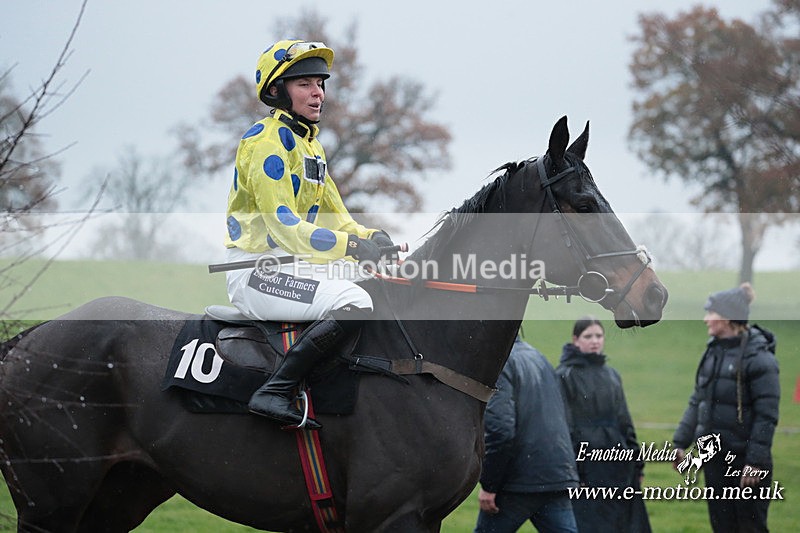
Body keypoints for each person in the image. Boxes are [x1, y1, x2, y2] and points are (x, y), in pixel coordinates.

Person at [223, 40, 394, 429]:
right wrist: (352, 246)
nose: (318, 92)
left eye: (320, 83)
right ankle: (275, 390)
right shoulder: (266, 140)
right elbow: (285, 227)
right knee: (354, 301)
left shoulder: (309, 145)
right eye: (305, 84)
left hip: (292, 267)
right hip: (258, 272)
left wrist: (373, 236)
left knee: (377, 287)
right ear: (277, 90)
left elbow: (339, 219)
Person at [673, 283, 779, 533]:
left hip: (746, 465)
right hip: (715, 461)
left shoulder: (760, 359)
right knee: (722, 528)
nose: (705, 319)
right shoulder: (712, 354)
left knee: (749, 528)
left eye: (711, 313)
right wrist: (680, 444)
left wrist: (755, 462)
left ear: (728, 317)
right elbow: (697, 401)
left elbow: (767, 417)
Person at [555, 317, 651, 533]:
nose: (595, 341)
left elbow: (625, 421)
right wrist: (574, 468)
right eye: (588, 336)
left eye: (599, 336)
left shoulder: (612, 375)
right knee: (591, 524)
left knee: (624, 523)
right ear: (575, 340)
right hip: (586, 464)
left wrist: (637, 463)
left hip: (617, 461)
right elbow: (564, 427)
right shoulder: (564, 375)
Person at [475, 335, 579, 533]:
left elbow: (501, 430)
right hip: (557, 476)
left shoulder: (502, 363)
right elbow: (565, 420)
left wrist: (489, 486)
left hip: (518, 483)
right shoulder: (539, 358)